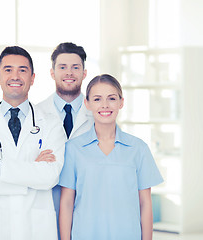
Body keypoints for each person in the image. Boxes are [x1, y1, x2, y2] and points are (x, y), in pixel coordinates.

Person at [0, 46, 65, 240]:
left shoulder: (51, 124)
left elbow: (49, 177)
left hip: (37, 230)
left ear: (32, 78)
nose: (15, 76)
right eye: (8, 70)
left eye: (22, 70)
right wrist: (32, 170)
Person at [58, 74, 164, 240]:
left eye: (112, 98)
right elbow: (66, 203)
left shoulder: (138, 149)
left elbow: (145, 204)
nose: (105, 105)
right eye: (97, 99)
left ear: (121, 102)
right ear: (87, 104)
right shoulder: (73, 149)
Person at [36, 42, 94, 236]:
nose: (69, 73)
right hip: (45, 201)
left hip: (87, 201)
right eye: (62, 67)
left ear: (84, 73)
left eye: (75, 67)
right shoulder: (35, 114)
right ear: (52, 73)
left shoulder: (98, 113)